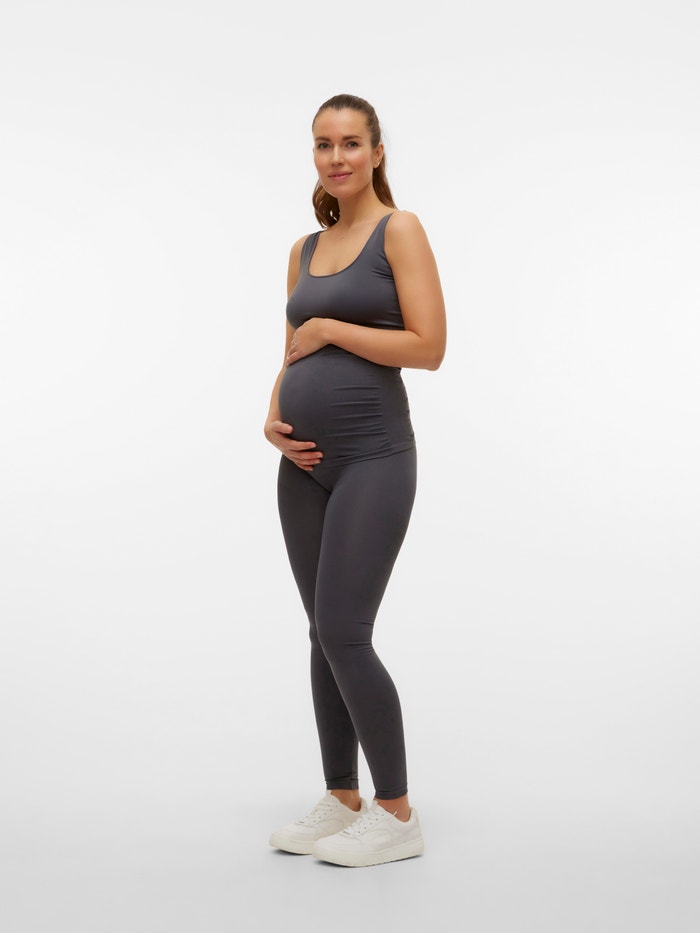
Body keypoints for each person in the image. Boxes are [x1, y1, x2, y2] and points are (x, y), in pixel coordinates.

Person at [264, 93, 446, 868]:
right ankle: (341, 796)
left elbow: (429, 346)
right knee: (321, 632)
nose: (335, 157)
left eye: (349, 143)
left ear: (375, 152)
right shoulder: (304, 248)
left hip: (375, 459)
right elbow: (290, 350)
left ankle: (396, 812)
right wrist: (272, 414)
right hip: (302, 466)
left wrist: (335, 327)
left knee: (346, 629)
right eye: (322, 144)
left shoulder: (399, 229)